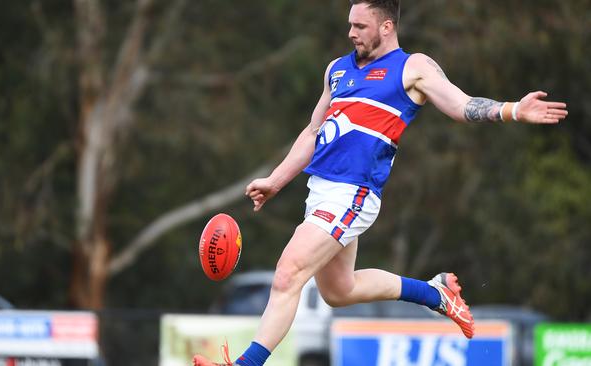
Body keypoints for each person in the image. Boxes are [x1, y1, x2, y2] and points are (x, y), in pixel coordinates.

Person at [193, 0, 568, 365]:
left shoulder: (412, 67)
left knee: (288, 272)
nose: (351, 33)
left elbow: (461, 105)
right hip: (321, 191)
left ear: (387, 27)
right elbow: (313, 131)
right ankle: (434, 293)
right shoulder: (337, 70)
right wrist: (276, 179)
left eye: (360, 26)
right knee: (339, 291)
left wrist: (513, 110)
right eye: (350, 24)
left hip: (353, 193)